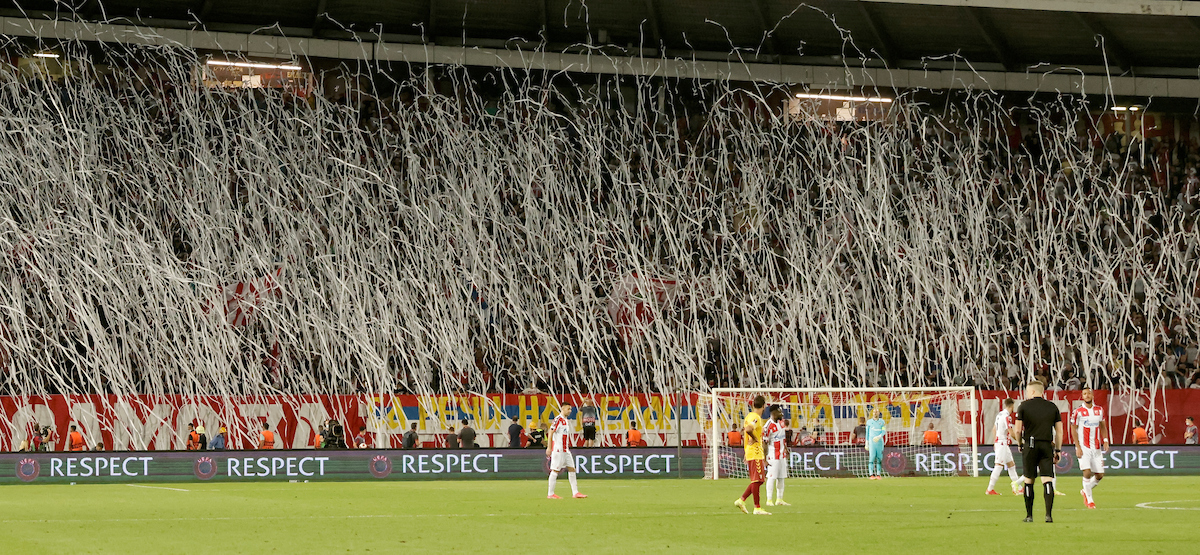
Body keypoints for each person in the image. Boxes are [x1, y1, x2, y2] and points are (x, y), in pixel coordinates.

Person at [1012, 381, 1063, 523]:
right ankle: (1048, 515)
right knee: (1047, 480)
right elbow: (1059, 431)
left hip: (1030, 445)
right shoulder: (1052, 407)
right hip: (1046, 445)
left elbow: (1017, 430)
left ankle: (1029, 516)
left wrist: (1020, 443)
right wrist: (1057, 449)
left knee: (1029, 480)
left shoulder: (1023, 406)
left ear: (1033, 392)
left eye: (1028, 391)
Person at [1071, 387, 1109, 509]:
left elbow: (1103, 426)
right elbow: (1073, 429)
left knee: (1100, 475)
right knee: (1087, 472)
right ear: (1082, 396)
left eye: (1089, 393)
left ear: (1093, 395)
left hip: (1096, 447)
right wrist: (1077, 447)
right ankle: (1090, 500)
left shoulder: (1099, 410)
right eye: (1084, 394)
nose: (1087, 395)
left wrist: (1105, 440)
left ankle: (1085, 491)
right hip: (1084, 447)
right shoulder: (1078, 412)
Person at [733, 395, 770, 515]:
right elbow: (749, 429)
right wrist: (755, 438)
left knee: (758, 480)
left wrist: (745, 450)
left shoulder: (749, 416)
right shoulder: (756, 418)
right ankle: (757, 508)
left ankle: (741, 500)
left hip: (751, 451)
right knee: (757, 480)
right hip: (755, 452)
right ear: (763, 406)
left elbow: (745, 434)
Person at [546, 403, 586, 499]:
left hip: (565, 450)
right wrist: (549, 447)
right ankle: (550, 494)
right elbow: (550, 432)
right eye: (568, 409)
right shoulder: (558, 419)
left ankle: (575, 492)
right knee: (555, 470)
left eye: (570, 409)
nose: (570, 411)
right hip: (558, 449)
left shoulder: (566, 421)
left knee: (572, 469)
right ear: (563, 408)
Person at [986, 398, 1023, 496]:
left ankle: (1018, 487)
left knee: (1011, 465)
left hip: (1001, 443)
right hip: (1002, 443)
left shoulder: (999, 415)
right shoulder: (1007, 416)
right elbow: (1010, 431)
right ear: (1012, 406)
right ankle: (990, 489)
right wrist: (1020, 441)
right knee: (998, 466)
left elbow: (994, 429)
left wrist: (995, 442)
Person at [763, 406, 790, 507]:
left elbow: (783, 438)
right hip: (772, 455)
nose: (781, 414)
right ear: (773, 413)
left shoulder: (781, 423)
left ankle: (779, 499)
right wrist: (765, 458)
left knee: (781, 477)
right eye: (779, 412)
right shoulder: (768, 426)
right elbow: (765, 443)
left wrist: (786, 449)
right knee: (771, 477)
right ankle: (769, 500)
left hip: (782, 454)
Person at [865, 410, 886, 479]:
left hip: (879, 443)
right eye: (874, 412)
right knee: (872, 458)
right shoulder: (869, 422)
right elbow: (867, 433)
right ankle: (871, 475)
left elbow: (884, 431)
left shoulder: (882, 422)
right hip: (872, 443)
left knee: (879, 459)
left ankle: (878, 475)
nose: (875, 413)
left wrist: (879, 436)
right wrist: (867, 443)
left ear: (879, 413)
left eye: (876, 412)